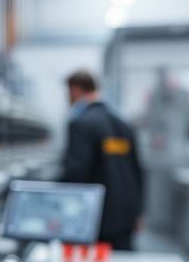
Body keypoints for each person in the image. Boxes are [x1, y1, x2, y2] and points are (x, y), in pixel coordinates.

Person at [61, 70, 144, 250]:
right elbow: (137, 170)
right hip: (126, 215)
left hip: (96, 218)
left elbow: (76, 173)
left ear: (75, 90)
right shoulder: (123, 124)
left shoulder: (81, 124)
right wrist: (138, 212)